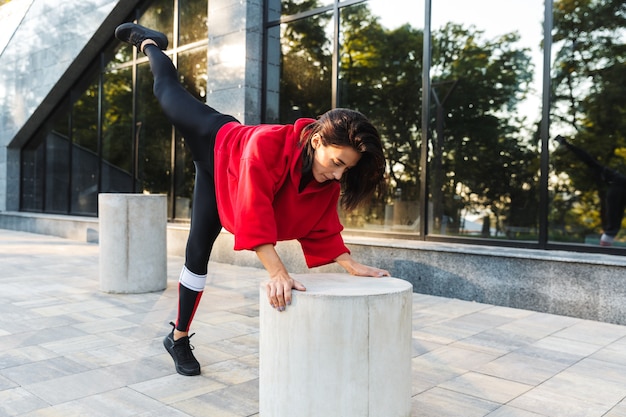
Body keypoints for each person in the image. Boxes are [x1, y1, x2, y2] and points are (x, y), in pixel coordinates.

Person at [114, 23, 391, 376]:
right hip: (213, 140)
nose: (338, 175)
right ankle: (150, 43)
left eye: (346, 170)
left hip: (233, 175)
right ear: (318, 140)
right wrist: (278, 272)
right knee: (166, 90)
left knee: (198, 250)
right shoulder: (266, 145)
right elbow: (254, 210)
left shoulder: (327, 179)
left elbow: (322, 224)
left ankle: (176, 338)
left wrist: (351, 265)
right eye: (337, 163)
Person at [555, 135, 626, 246]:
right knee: (614, 220)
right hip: (618, 186)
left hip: (617, 186)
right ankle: (607, 239)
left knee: (613, 219)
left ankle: (607, 240)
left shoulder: (608, 174)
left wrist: (568, 145)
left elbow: (586, 158)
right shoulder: (610, 176)